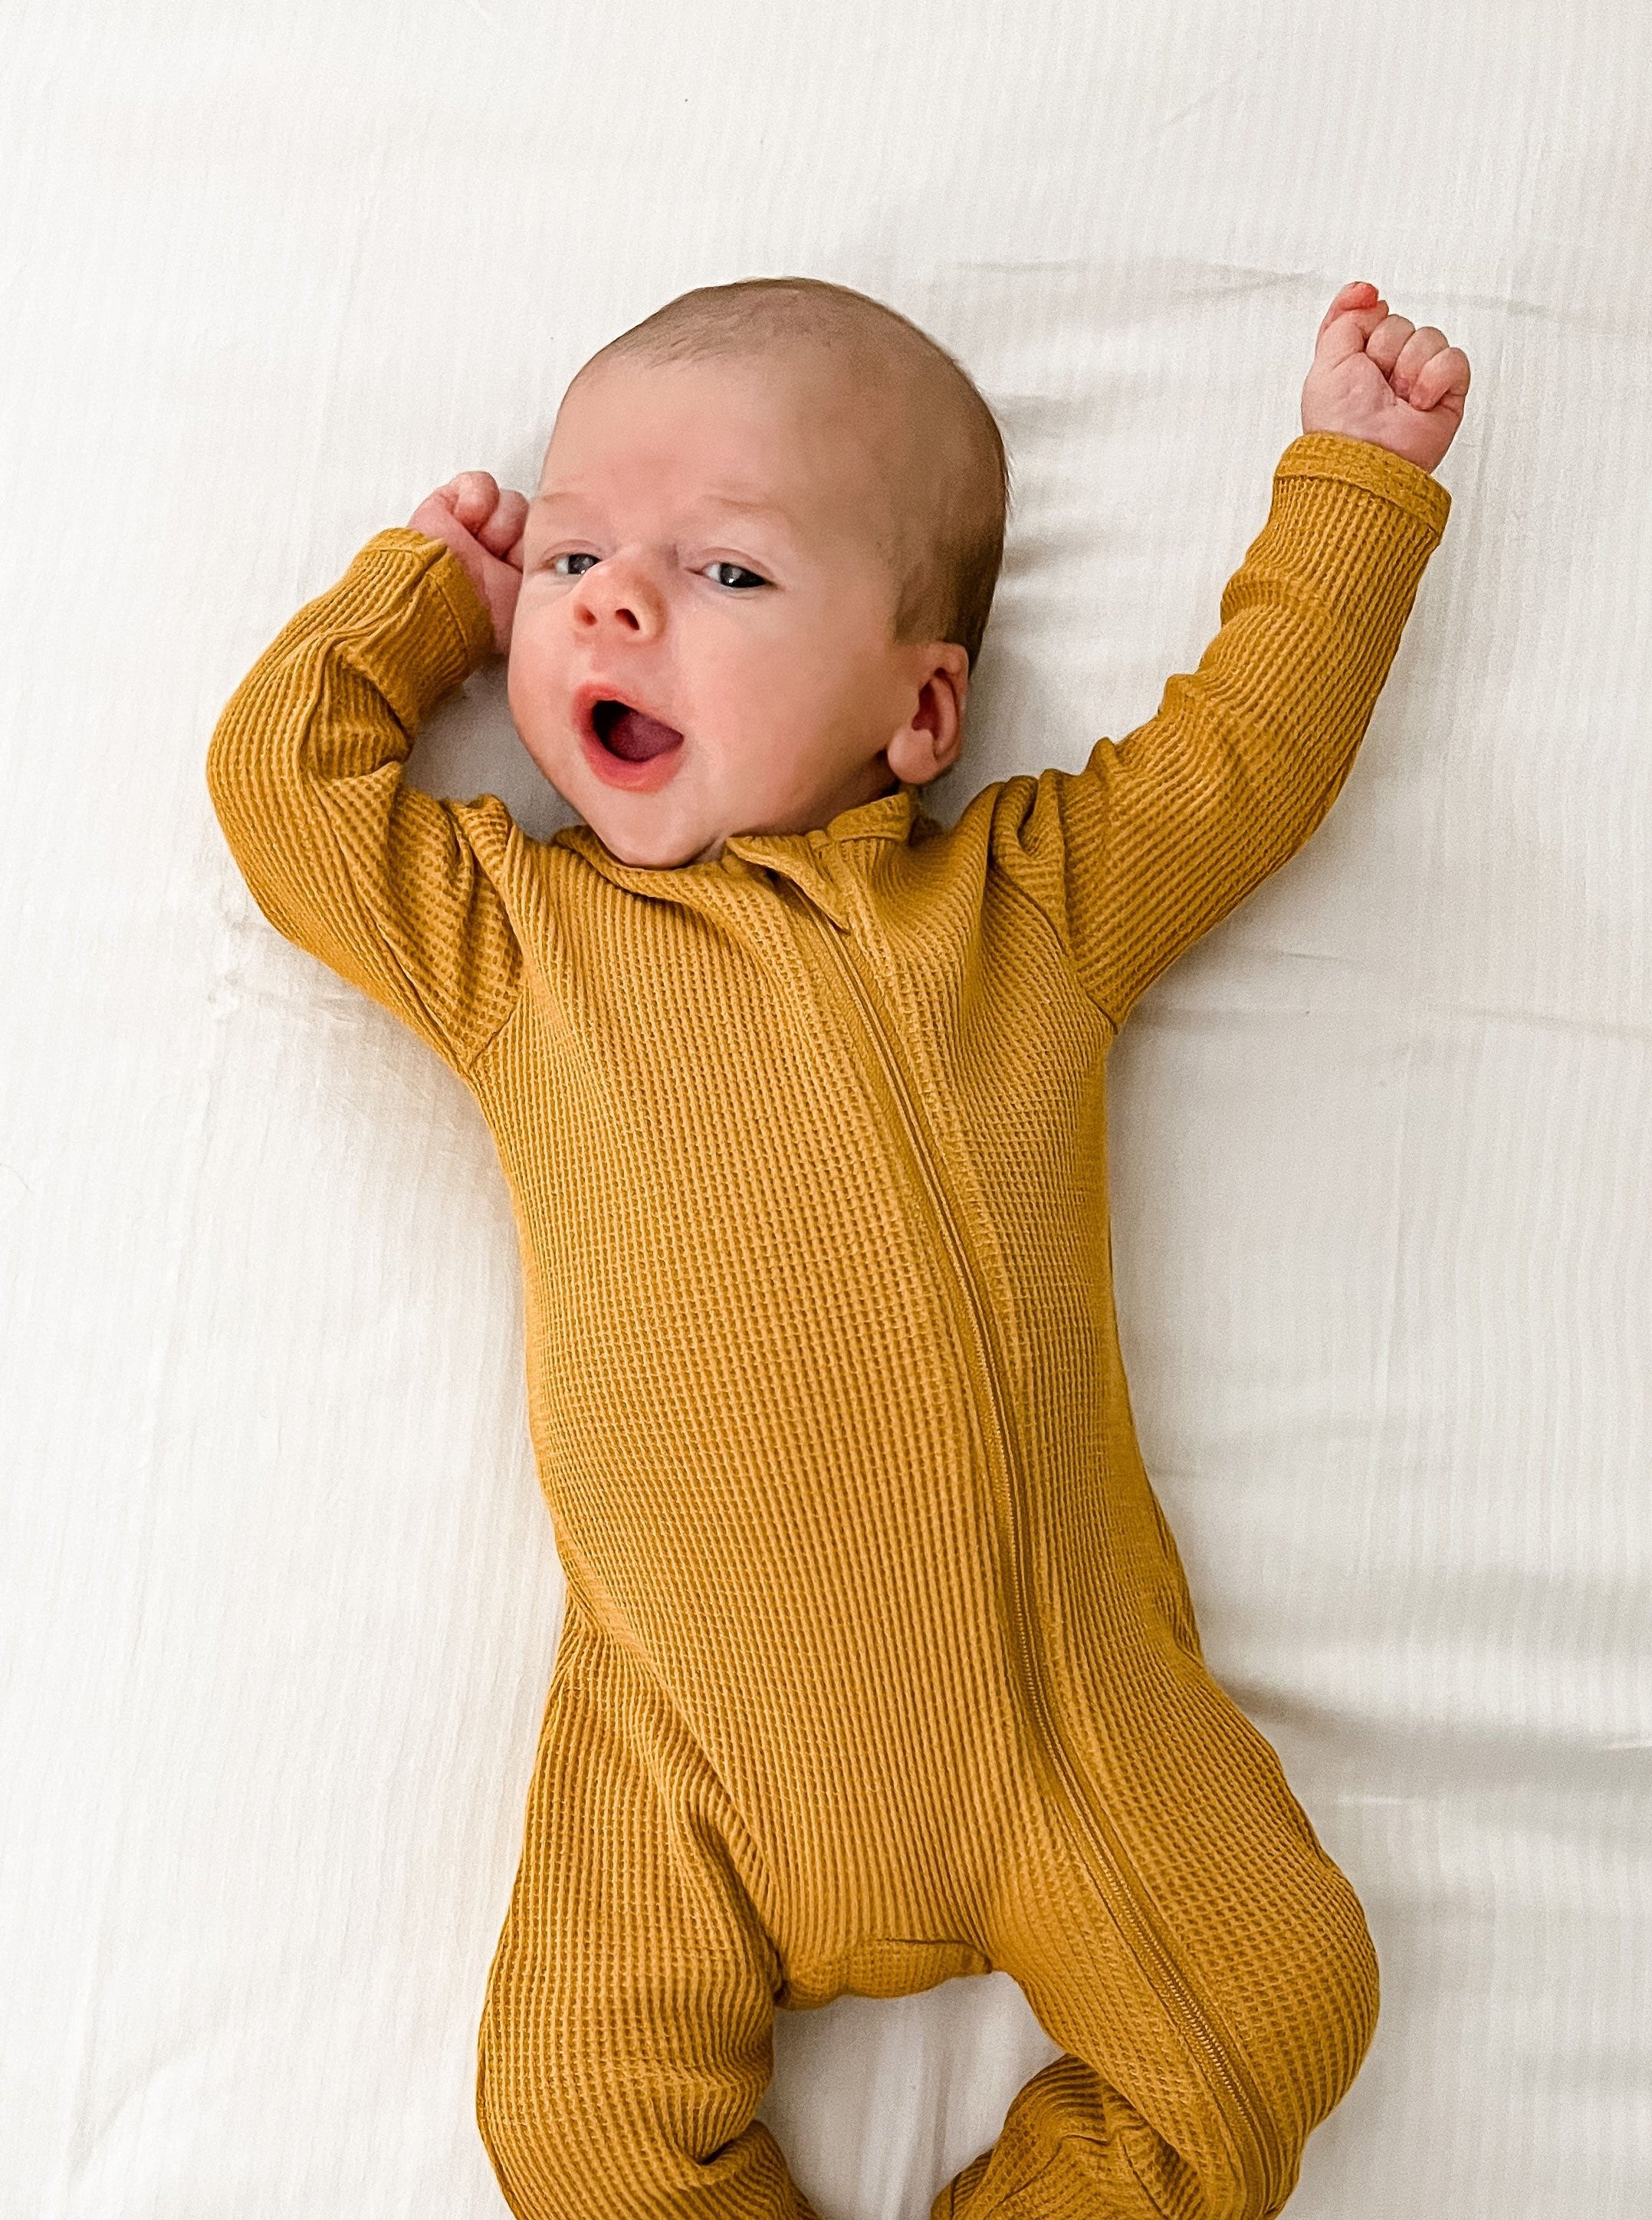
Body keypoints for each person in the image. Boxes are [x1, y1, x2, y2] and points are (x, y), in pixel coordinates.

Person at [206, 274, 1469, 2218]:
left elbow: (1244, 759)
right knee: (572, 2119)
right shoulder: (515, 945)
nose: (614, 599)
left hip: (1059, 1732)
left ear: (922, 705)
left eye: (723, 573)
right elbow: (282, 793)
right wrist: (421, 599)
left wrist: (1353, 491)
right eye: (572, 553)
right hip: (683, 1755)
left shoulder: (1026, 903)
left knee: (1284, 1996)